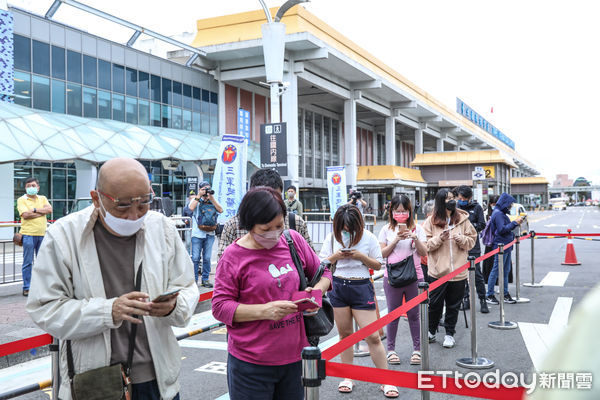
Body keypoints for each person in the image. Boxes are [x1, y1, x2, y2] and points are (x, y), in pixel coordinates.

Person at [26, 158, 199, 400]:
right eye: (123, 206)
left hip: (159, 380)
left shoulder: (162, 228)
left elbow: (187, 286)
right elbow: (45, 308)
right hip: (96, 383)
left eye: (143, 203)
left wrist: (174, 306)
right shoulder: (64, 235)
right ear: (96, 198)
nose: (134, 215)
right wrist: (108, 311)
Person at [212, 186, 331, 400]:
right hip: (250, 364)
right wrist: (265, 311)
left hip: (295, 359)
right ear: (249, 226)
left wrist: (316, 293)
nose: (274, 233)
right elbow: (220, 307)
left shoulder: (292, 240)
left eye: (279, 225)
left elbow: (325, 273)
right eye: (266, 229)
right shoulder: (233, 256)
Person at [320, 204, 398, 398]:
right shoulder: (332, 238)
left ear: (359, 224)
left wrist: (361, 256)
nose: (347, 231)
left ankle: (386, 379)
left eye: (351, 228)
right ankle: (348, 377)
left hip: (361, 286)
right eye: (343, 228)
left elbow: (379, 264)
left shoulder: (369, 238)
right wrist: (336, 256)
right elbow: (322, 262)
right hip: (338, 286)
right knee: (345, 335)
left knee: (372, 336)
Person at [217, 168, 313, 259]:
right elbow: (223, 264)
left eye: (275, 197)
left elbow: (313, 264)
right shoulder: (233, 224)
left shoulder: (296, 222)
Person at [423, 188, 477, 348]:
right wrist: (439, 239)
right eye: (447, 198)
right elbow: (425, 246)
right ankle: (431, 331)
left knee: (454, 305)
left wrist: (462, 239)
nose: (451, 200)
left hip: (459, 272)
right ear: (440, 201)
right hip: (438, 272)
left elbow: (472, 240)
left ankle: (449, 334)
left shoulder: (463, 219)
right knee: (434, 305)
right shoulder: (430, 222)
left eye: (453, 197)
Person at [378, 195, 426, 366]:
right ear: (391, 212)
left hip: (414, 276)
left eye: (404, 211)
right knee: (393, 315)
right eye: (397, 211)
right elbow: (382, 254)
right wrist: (397, 239)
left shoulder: (418, 229)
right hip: (392, 277)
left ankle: (417, 350)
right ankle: (391, 350)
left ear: (409, 211)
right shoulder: (385, 230)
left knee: (414, 314)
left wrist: (414, 238)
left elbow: (424, 252)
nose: (400, 214)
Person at [485, 193, 523, 305]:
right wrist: (515, 223)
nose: (510, 206)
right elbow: (502, 229)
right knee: (496, 270)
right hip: (501, 245)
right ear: (505, 203)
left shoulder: (499, 212)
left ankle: (504, 293)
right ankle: (490, 294)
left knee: (505, 270)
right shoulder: (499, 214)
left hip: (505, 245)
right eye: (509, 204)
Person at [456, 185, 489, 314]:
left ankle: (482, 300)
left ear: (469, 198)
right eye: (460, 198)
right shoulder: (456, 208)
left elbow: (482, 224)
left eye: (463, 198)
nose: (461, 200)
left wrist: (468, 227)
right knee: (462, 275)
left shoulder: (477, 208)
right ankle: (465, 299)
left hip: (473, 246)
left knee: (477, 274)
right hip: (459, 246)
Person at [17, 177, 52, 297]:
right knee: (27, 262)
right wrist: (41, 212)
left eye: (33, 185)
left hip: (42, 234)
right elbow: (25, 215)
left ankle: (42, 287)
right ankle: (27, 287)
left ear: (38, 187)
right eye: (28, 186)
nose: (31, 188)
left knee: (42, 262)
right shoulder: (22, 200)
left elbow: (50, 209)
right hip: (28, 235)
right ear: (25, 188)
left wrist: (35, 210)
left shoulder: (42, 198)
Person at [188, 181, 223, 287]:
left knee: (207, 258)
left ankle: (205, 280)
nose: (206, 190)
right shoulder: (196, 200)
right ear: (200, 189)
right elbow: (191, 208)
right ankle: (193, 281)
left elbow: (220, 210)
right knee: (195, 258)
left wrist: (211, 198)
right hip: (197, 234)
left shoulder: (212, 200)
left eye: (208, 188)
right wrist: (199, 195)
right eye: (204, 189)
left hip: (210, 234)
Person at [482, 194, 499, 282]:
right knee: (490, 262)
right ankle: (489, 281)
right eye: (493, 204)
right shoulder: (485, 213)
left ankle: (499, 282)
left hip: (499, 241)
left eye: (496, 204)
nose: (494, 206)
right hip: (489, 242)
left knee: (499, 263)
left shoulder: (502, 212)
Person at [420, 200, 435, 281]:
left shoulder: (441, 225)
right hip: (425, 264)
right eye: (434, 211)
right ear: (428, 214)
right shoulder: (422, 227)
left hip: (438, 264)